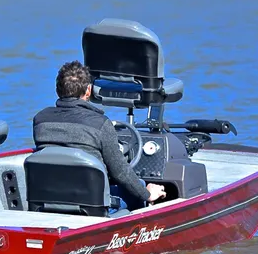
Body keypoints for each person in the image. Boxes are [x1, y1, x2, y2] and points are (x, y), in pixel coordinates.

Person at [32, 60, 167, 208]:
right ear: (88, 90)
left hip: (49, 201)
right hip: (91, 206)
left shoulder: (40, 120)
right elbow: (120, 173)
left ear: (57, 90)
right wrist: (147, 193)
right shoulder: (100, 124)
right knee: (138, 188)